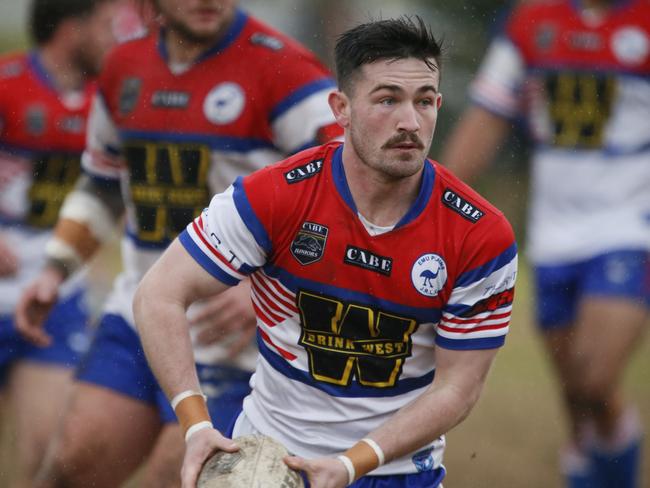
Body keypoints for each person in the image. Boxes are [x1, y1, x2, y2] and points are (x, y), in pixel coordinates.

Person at [133, 15, 519, 488]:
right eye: (387, 100)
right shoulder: (274, 197)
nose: (409, 122)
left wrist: (353, 462)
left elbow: (459, 388)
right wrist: (196, 424)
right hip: (268, 460)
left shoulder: (480, 235)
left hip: (394, 472)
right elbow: (158, 295)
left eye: (424, 101)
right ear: (342, 108)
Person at [15, 0, 342, 487]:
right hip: (140, 314)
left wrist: (269, 284)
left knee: (177, 478)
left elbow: (345, 192)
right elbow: (103, 182)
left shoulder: (286, 71)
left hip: (233, 344)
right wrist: (56, 267)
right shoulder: (124, 66)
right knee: (71, 464)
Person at [441, 1, 650, 487]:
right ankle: (590, 464)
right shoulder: (532, 20)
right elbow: (486, 117)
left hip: (629, 226)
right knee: (579, 399)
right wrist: (438, 202)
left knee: (596, 378)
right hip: (553, 235)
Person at [0, 0, 118, 486]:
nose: (116, 39)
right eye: (107, 26)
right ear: (74, 28)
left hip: (55, 293)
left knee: (49, 455)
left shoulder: (110, 100)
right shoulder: (8, 84)